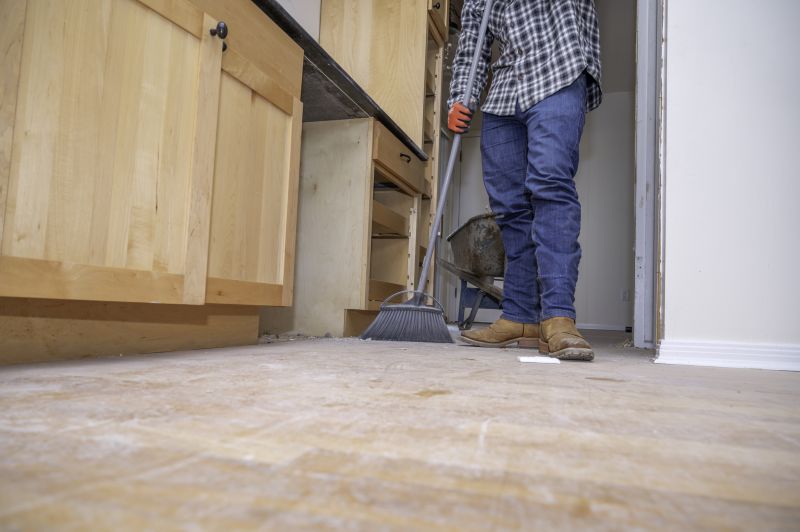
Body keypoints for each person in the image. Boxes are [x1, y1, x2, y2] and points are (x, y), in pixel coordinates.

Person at [449, 0, 602, 361]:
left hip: (558, 69)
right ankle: (520, 317)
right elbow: (472, 46)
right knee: (511, 209)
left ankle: (558, 317)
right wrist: (459, 97)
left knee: (550, 187)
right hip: (504, 94)